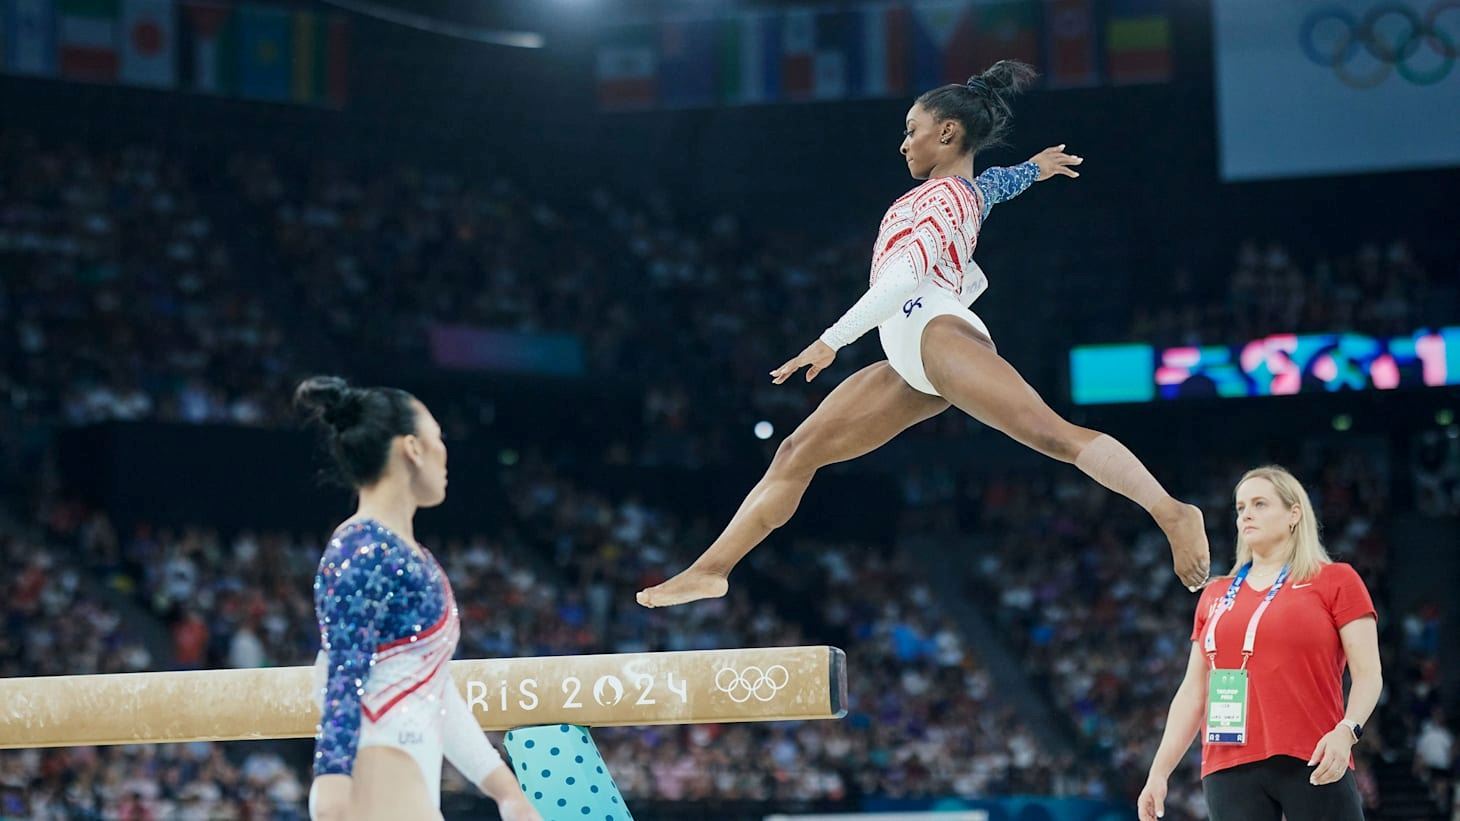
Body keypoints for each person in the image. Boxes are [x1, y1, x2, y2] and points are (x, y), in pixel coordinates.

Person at [638, 60, 1209, 609]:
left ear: (948, 132)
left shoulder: (942, 197)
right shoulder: (963, 194)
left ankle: (1170, 511)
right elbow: (994, 187)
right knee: (797, 451)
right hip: (908, 355)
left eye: (913, 131)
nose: (903, 143)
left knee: (1050, 435)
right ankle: (711, 570)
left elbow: (907, 275)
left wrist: (830, 340)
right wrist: (1033, 169)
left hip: (937, 333)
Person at [296, 376, 539, 821]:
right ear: (411, 448)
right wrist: (332, 782)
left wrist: (506, 790)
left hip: (403, 765)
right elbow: (341, 671)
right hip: (376, 768)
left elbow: (433, 687)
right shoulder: (360, 548)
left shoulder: (410, 554)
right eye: (438, 437)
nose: (445, 452)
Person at [1138, 466, 1382, 821]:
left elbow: (1369, 673)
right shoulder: (1215, 595)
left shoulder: (1335, 581)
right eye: (1240, 508)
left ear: (1294, 514)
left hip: (1314, 755)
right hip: (1228, 764)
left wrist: (1347, 730)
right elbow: (1193, 691)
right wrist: (1158, 772)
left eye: (1260, 504)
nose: (1247, 514)